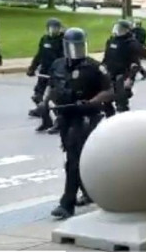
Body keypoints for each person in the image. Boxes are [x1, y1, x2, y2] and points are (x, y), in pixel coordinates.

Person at [47, 28, 113, 219]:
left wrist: (93, 101)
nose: (76, 50)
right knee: (73, 155)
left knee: (73, 160)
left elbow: (109, 91)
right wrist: (46, 103)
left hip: (85, 116)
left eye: (79, 46)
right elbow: (52, 86)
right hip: (65, 115)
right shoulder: (57, 65)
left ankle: (67, 204)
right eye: (72, 46)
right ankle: (89, 190)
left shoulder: (94, 67)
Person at [102, 20, 146, 116]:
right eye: (117, 28)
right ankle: (110, 120)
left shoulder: (131, 43)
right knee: (106, 100)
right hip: (110, 74)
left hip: (123, 75)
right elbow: (106, 57)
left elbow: (136, 63)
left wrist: (130, 78)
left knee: (121, 102)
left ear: (127, 30)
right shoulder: (111, 41)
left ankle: (124, 119)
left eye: (120, 29)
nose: (117, 31)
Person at [26, 18, 65, 122]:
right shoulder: (44, 39)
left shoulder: (62, 41)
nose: (53, 30)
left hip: (56, 72)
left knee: (52, 96)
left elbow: (64, 58)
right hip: (44, 71)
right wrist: (32, 67)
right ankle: (42, 111)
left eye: (56, 28)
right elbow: (39, 55)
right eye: (52, 28)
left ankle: (58, 115)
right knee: (37, 95)